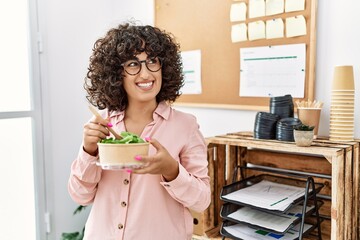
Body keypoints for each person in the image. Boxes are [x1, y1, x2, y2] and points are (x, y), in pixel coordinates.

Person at [68, 22, 211, 240]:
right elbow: (80, 195)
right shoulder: (101, 124)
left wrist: (172, 170)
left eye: (153, 61)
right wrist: (88, 152)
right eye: (133, 64)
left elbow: (202, 201)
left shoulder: (186, 126)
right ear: (117, 74)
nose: (145, 73)